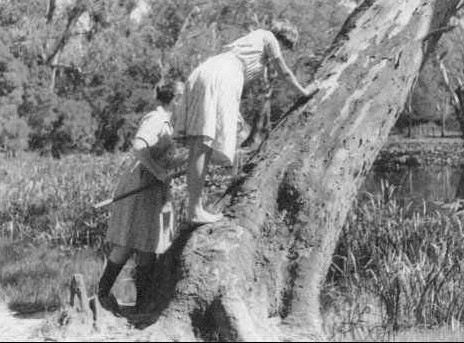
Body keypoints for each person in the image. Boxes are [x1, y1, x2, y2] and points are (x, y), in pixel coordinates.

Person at [173, 19, 321, 224]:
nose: (284, 50)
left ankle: (194, 208)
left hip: (208, 71)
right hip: (223, 75)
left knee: (201, 144)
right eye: (286, 46)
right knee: (202, 144)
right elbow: (284, 72)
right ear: (283, 38)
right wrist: (305, 91)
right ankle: (195, 209)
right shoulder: (268, 37)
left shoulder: (252, 41)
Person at [97, 80, 189, 314]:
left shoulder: (168, 125)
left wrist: (193, 154)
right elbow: (139, 146)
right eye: (184, 97)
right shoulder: (155, 119)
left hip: (153, 190)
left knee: (148, 247)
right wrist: (158, 172)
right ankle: (101, 295)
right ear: (175, 98)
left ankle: (142, 305)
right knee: (128, 243)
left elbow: (165, 160)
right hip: (139, 186)